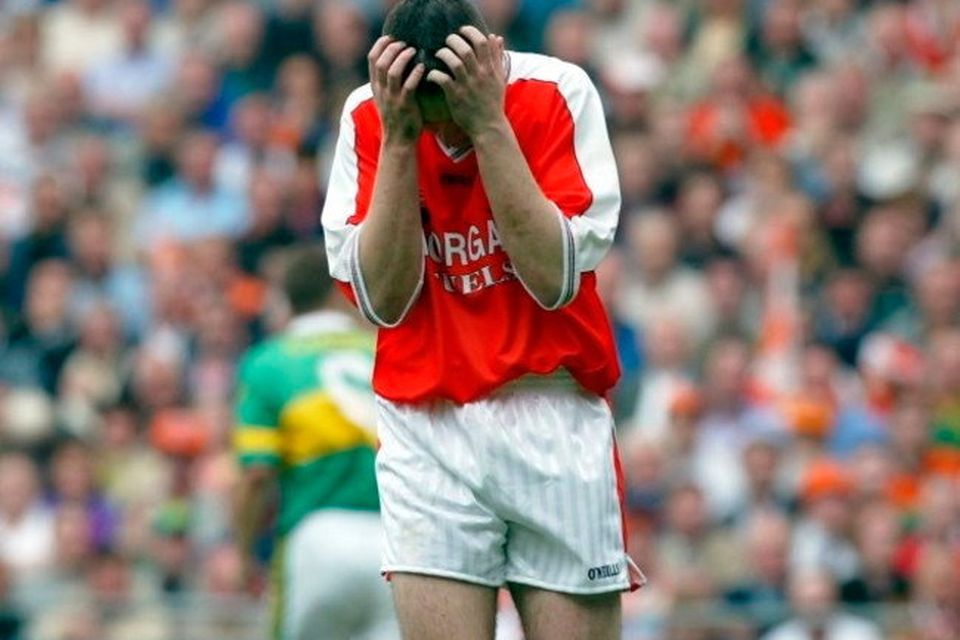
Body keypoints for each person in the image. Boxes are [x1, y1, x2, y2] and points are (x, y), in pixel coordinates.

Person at [321, 1, 641, 638]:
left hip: (551, 408)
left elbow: (553, 280)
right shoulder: (371, 112)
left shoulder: (559, 91)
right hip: (425, 420)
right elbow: (385, 302)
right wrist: (401, 136)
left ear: (486, 59)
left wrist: (488, 123)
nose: (448, 133)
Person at [232, 247, 395, 640]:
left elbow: (257, 474)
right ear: (339, 291)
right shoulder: (383, 351)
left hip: (315, 537)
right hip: (394, 545)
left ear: (286, 298)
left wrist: (243, 556)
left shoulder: (268, 363)